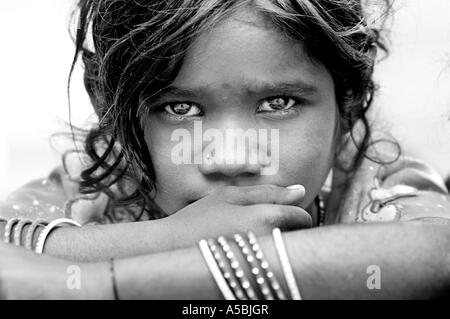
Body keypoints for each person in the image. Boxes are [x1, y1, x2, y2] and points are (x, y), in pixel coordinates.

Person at [0, 0, 449, 299]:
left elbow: (437, 253)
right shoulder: (99, 189)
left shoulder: (377, 188)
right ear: (109, 108)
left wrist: (105, 282)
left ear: (347, 103)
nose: (232, 157)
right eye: (181, 107)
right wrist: (168, 238)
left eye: (279, 103)